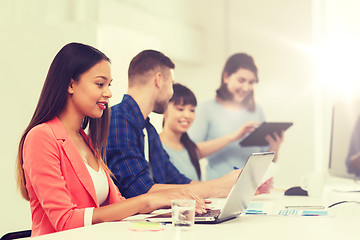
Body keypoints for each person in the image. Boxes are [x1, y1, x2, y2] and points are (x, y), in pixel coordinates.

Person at [16, 43, 201, 237]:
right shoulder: (41, 137)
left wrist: (169, 208)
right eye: (100, 84)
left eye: (109, 85)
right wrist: (147, 200)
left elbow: (118, 206)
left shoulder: (85, 140)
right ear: (71, 84)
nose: (109, 93)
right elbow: (65, 220)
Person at [106, 50, 241, 200]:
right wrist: (216, 188)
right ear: (158, 80)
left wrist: (228, 186)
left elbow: (176, 180)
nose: (171, 93)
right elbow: (140, 189)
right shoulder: (118, 119)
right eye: (171, 84)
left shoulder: (148, 129)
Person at [188, 53, 284, 180]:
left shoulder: (256, 110)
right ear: (226, 76)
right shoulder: (205, 109)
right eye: (241, 80)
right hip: (218, 192)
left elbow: (264, 161)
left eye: (251, 82)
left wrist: (275, 146)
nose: (246, 88)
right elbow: (190, 153)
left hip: (252, 191)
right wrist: (232, 137)